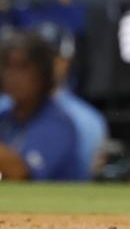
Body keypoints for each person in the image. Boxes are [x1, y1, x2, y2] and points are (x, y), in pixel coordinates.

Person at [0, 30, 84, 180]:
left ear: (42, 73)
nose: (13, 76)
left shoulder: (57, 123)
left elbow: (21, 172)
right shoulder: (4, 119)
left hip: (56, 203)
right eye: (8, 67)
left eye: (22, 67)